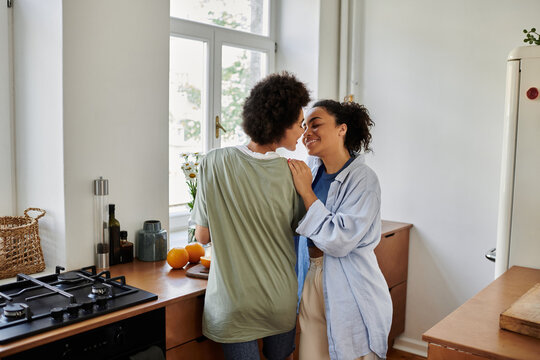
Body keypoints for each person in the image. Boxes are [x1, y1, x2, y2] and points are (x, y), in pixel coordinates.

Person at [191, 72, 310, 360]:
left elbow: (203, 236)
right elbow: (305, 233)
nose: (303, 132)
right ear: (281, 125)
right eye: (299, 124)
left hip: (233, 304)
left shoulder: (212, 162)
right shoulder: (294, 173)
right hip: (279, 299)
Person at [287, 100, 392, 360]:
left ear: (341, 129)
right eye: (304, 126)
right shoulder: (311, 172)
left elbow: (339, 241)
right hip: (311, 277)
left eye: (316, 124)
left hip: (350, 285)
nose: (306, 132)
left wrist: (307, 193)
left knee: (351, 353)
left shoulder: (363, 179)